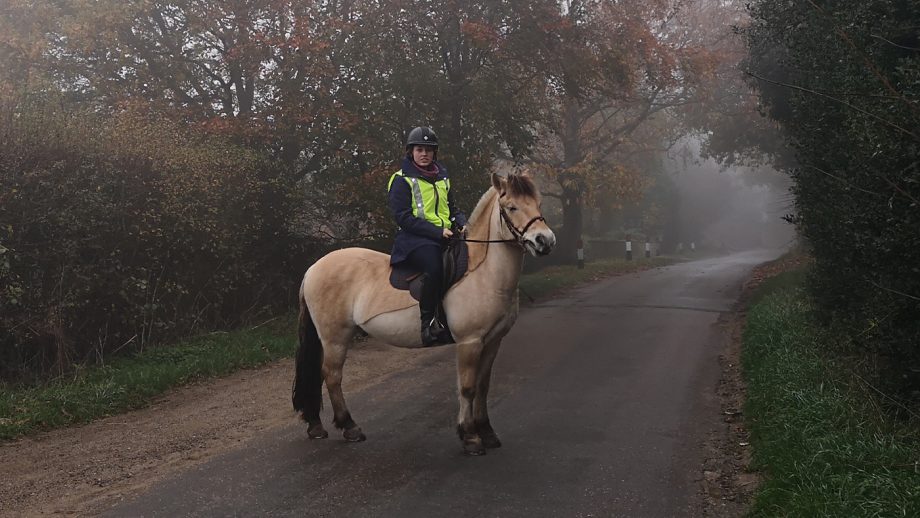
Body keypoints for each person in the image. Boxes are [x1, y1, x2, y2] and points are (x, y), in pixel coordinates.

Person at [387, 126, 467, 346]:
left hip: (445, 236)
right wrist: (436, 231)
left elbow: (452, 208)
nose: (424, 154)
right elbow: (402, 217)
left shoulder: (442, 176)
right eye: (419, 149)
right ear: (411, 152)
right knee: (434, 267)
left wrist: (463, 223)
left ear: (434, 153)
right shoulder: (401, 179)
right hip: (415, 240)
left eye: (429, 150)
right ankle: (428, 325)